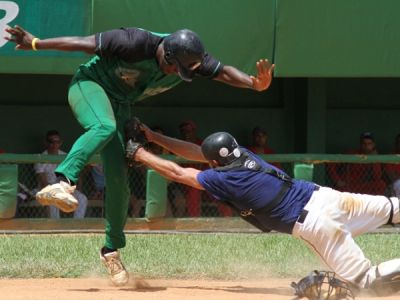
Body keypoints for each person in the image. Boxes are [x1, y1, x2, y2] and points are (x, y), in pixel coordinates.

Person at [4, 25, 274, 285]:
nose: (175, 73)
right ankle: (63, 182)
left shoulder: (190, 56)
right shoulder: (134, 41)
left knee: (119, 179)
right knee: (103, 126)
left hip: (120, 105)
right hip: (90, 86)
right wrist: (36, 44)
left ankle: (111, 251)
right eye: (174, 67)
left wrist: (253, 83)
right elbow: (83, 43)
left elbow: (223, 72)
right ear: (166, 54)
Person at [126, 125, 400, 296]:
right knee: (392, 208)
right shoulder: (243, 154)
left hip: (315, 223)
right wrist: (153, 137)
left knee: (367, 283)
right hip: (328, 198)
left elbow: (177, 171)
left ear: (213, 162)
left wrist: (139, 153)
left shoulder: (220, 178)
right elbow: (199, 153)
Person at [34, 130, 88, 219]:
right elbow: (43, 182)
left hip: (64, 188)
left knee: (82, 198)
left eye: (57, 142)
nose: (55, 144)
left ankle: (77, 225)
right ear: (46, 142)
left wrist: (69, 189)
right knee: (54, 199)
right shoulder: (40, 157)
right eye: (51, 142)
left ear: (61, 143)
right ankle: (55, 226)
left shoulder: (65, 156)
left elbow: (72, 176)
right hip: (47, 189)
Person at [384, 133, 400, 198]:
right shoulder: (391, 156)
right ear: (396, 144)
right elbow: (391, 176)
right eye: (399, 142)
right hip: (394, 184)